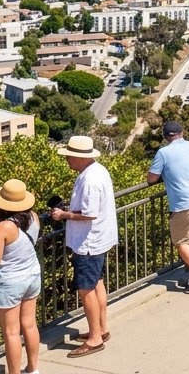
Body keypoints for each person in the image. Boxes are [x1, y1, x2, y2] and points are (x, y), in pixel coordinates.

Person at [51, 136, 117, 359]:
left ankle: (95, 339)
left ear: (81, 157)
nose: (67, 160)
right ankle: (101, 329)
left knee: (85, 289)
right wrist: (71, 209)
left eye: (69, 156)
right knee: (97, 283)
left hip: (89, 242)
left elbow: (89, 214)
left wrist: (63, 214)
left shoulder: (89, 180)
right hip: (99, 238)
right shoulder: (98, 171)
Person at [0, 179, 41, 374]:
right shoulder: (34, 217)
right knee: (30, 325)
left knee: (11, 333)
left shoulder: (3, 227)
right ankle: (32, 369)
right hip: (32, 275)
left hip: (11, 282)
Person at [147, 121, 189, 293]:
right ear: (182, 133)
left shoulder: (163, 153)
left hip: (185, 202)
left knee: (181, 241)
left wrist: (165, 173)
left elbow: (151, 179)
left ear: (165, 136)